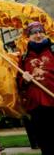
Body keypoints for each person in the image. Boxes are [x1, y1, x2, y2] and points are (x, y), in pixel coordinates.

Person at [17, 21, 54, 154]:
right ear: (28, 36)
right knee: (45, 146)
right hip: (36, 108)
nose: (38, 35)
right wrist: (24, 80)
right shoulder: (24, 58)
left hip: (52, 104)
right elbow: (19, 83)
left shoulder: (53, 51)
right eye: (34, 33)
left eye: (40, 32)